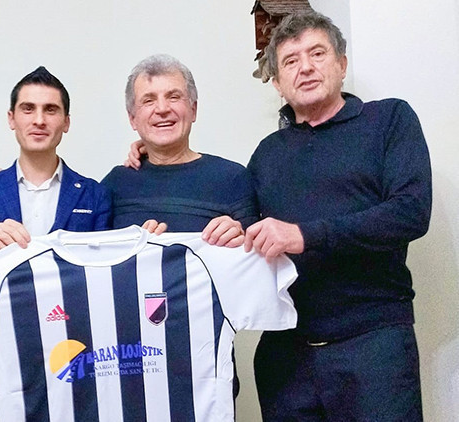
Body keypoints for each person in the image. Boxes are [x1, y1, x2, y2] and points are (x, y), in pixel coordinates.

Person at [244, 11, 431, 420]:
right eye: (290, 61)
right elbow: (241, 227)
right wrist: (152, 152)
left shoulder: (389, 120)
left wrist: (305, 235)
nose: (306, 67)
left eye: (317, 53)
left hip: (374, 347)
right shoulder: (266, 154)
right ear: (277, 83)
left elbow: (411, 212)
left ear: (342, 64)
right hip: (286, 358)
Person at [0, 66, 112, 421]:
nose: (39, 120)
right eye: (28, 109)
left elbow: (104, 286)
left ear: (66, 122)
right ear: (12, 118)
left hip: (73, 370)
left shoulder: (95, 195)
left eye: (50, 110)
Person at [106, 54, 257, 402]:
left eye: (173, 96)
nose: (162, 109)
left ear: (193, 108)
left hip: (208, 370)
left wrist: (240, 240)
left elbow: (257, 270)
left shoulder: (233, 179)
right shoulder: (113, 185)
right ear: (132, 119)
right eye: (148, 100)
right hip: (128, 368)